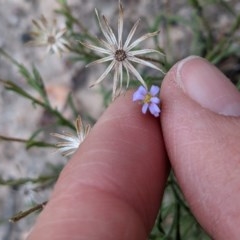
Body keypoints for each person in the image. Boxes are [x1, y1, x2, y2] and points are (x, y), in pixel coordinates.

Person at [27, 56, 240, 240]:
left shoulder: (149, 100)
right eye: (146, 97)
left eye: (148, 97)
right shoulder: (147, 100)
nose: (147, 97)